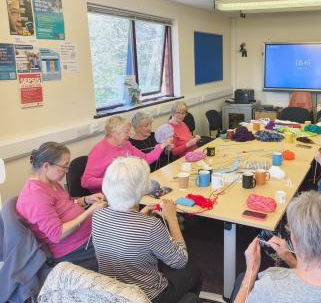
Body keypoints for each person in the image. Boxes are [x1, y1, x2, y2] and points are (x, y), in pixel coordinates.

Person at [92, 157, 202, 303]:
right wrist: (172, 218)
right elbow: (180, 260)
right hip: (148, 296)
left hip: (114, 292)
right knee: (193, 271)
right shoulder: (151, 226)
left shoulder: (98, 215)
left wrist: (140, 217)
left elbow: (121, 232)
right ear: (142, 188)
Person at [232, 192, 321, 303]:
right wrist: (289, 258)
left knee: (240, 280)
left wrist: (250, 273)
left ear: (295, 240)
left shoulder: (271, 285)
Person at [16, 142, 106, 271]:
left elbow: (67, 205)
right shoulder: (35, 196)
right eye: (64, 166)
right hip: (74, 251)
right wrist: (89, 212)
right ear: (46, 166)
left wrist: (87, 200)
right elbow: (57, 234)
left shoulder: (51, 183)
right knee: (125, 250)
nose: (67, 170)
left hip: (88, 238)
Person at [82, 115, 172, 193]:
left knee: (160, 186)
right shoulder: (99, 151)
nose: (130, 135)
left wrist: (163, 145)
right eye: (126, 132)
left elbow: (145, 159)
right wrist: (114, 180)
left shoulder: (126, 144)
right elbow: (86, 181)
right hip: (110, 193)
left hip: (128, 188)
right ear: (114, 133)